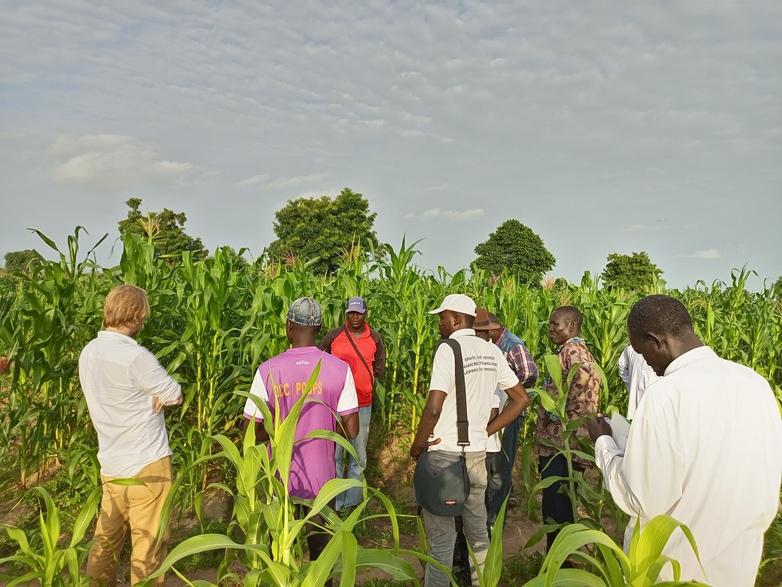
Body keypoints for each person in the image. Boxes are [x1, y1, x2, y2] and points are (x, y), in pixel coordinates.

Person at [588, 295, 782, 587]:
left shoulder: (665, 395)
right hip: (738, 570)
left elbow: (640, 500)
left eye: (641, 352)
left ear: (657, 341)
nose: (645, 362)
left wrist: (604, 443)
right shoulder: (756, 384)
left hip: (674, 572)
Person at [410, 294, 530, 586]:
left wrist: (417, 444)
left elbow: (434, 406)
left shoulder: (447, 349)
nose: (439, 323)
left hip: (444, 457)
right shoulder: (492, 350)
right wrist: (486, 431)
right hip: (476, 456)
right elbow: (521, 399)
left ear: (457, 319)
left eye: (442, 317)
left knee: (441, 541)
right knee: (477, 534)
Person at [243, 297, 359, 570]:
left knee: (282, 554)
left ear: (289, 326)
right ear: (319, 327)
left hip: (280, 479)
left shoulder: (267, 370)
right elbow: (352, 429)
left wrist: (274, 430)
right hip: (322, 480)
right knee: (322, 558)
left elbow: (252, 432)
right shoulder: (339, 368)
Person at [79, 284, 183, 585]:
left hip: (111, 464)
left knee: (105, 543)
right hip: (146, 464)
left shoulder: (89, 353)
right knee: (148, 545)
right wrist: (160, 395)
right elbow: (175, 394)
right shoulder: (136, 358)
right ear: (136, 315)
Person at [535, 305, 600, 551]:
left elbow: (582, 381)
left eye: (556, 324)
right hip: (561, 441)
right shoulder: (567, 350)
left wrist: (559, 410)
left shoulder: (573, 350)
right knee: (561, 500)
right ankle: (564, 555)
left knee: (557, 503)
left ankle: (560, 559)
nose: (551, 328)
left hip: (561, 443)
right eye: (550, 324)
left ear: (571, 326)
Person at [320, 296, 386, 511]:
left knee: (358, 457)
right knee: (334, 455)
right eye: (351, 313)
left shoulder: (374, 338)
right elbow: (319, 363)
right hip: (335, 406)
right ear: (346, 314)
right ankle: (336, 503)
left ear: (366, 313)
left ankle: (351, 503)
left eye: (358, 313)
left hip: (362, 405)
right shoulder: (333, 336)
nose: (354, 316)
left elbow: (379, 368)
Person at [473, 309, 538, 527]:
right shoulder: (492, 346)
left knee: (501, 466)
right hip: (494, 413)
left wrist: (507, 386)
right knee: (491, 464)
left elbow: (529, 374)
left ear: (492, 329)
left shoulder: (512, 345)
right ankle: (488, 513)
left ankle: (494, 519)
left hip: (508, 412)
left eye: (482, 331)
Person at [616, 343, 657, 419]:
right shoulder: (631, 349)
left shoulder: (632, 349)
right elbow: (622, 365)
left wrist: (632, 386)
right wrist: (632, 386)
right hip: (639, 412)